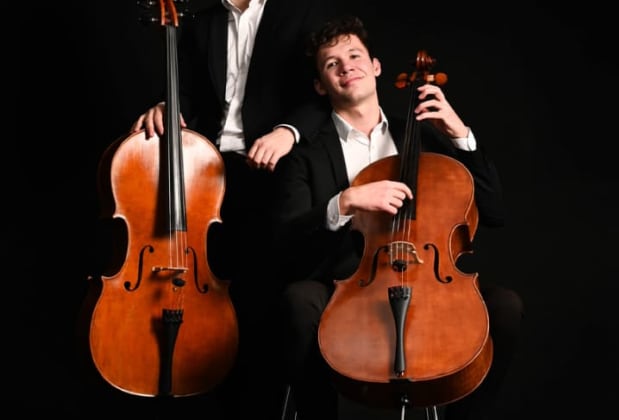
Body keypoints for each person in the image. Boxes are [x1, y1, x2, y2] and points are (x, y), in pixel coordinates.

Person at [271, 15, 524, 420]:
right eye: (332, 63)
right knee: (297, 301)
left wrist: (459, 133)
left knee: (505, 307)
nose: (346, 66)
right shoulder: (304, 156)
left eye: (355, 56)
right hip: (346, 287)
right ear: (321, 85)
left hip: (429, 284)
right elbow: (286, 237)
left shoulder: (423, 135)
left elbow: (494, 210)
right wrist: (345, 201)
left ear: (376, 67)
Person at [129, 1, 334, 419]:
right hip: (206, 174)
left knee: (262, 309)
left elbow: (324, 91)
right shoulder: (201, 21)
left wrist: (288, 131)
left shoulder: (302, 15)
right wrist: (168, 105)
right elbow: (186, 90)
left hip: (272, 171)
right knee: (212, 304)